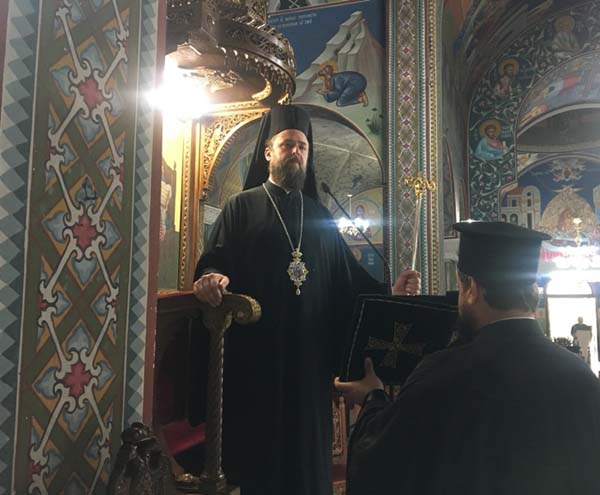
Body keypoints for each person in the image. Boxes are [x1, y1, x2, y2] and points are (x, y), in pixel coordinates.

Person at [192, 104, 420, 495]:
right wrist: (211, 277)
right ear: (268, 152)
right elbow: (215, 261)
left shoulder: (321, 217)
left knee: (306, 465)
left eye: (302, 147)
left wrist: (391, 292)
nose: (295, 152)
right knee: (259, 463)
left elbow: (350, 284)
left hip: (309, 365)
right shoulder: (240, 207)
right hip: (256, 361)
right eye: (287, 145)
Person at [336, 221, 600, 495]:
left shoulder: (443, 374)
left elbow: (380, 465)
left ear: (472, 288)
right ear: (531, 292)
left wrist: (372, 398)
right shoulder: (582, 378)